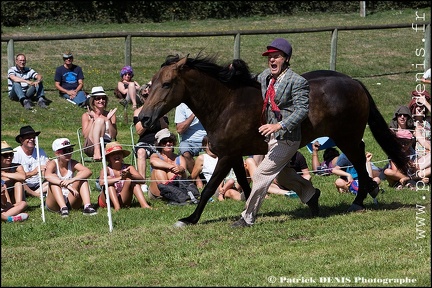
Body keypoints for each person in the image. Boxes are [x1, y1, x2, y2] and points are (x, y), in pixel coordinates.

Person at [232, 38, 321, 228]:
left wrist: (278, 126)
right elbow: (250, 82)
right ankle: (310, 194)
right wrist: (236, 72)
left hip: (287, 138)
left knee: (260, 175)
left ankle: (247, 218)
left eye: (277, 57)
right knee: (283, 177)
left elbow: (302, 111)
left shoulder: (298, 81)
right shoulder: (265, 76)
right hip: (270, 137)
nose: (272, 60)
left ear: (286, 59)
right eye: (270, 57)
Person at [44, 138, 97, 217]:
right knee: (53, 182)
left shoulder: (72, 163)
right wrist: (67, 186)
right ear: (57, 153)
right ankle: (63, 208)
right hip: (54, 202)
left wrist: (72, 180)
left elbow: (88, 171)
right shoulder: (53, 163)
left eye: (70, 149)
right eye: (65, 151)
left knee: (82, 178)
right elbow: (47, 176)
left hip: (70, 198)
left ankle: (87, 206)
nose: (69, 153)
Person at [133, 81, 169, 186]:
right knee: (141, 152)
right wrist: (147, 116)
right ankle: (142, 182)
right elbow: (139, 131)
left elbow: (166, 128)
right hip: (145, 141)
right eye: (145, 95)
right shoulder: (138, 112)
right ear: (141, 97)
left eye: (150, 94)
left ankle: (167, 180)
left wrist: (159, 114)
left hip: (160, 142)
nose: (148, 97)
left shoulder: (162, 111)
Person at [98, 142, 152, 211]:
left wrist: (130, 175)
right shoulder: (106, 169)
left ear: (122, 156)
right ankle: (117, 207)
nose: (116, 155)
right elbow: (101, 182)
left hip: (124, 198)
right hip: (107, 201)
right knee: (108, 182)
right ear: (108, 158)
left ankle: (144, 205)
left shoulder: (129, 167)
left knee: (132, 180)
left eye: (119, 153)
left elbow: (142, 180)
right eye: (113, 154)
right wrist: (120, 178)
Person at [190, 136, 244, 201]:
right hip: (215, 187)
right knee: (230, 192)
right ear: (204, 146)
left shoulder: (224, 156)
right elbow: (193, 176)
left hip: (231, 183)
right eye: (209, 145)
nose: (213, 148)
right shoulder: (202, 158)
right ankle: (245, 198)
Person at [148, 128, 188, 199]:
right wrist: (172, 167)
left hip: (178, 189)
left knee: (175, 172)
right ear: (159, 144)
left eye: (170, 141)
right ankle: (167, 195)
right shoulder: (155, 155)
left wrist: (181, 169)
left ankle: (172, 195)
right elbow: (153, 161)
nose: (168, 143)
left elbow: (185, 176)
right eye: (164, 142)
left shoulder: (179, 158)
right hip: (156, 192)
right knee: (159, 170)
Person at [81, 86, 117, 161]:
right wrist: (92, 119)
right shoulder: (86, 115)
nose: (101, 100)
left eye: (103, 98)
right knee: (100, 121)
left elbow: (113, 136)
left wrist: (108, 120)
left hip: (107, 145)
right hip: (91, 146)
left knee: (101, 120)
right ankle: (97, 150)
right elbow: (85, 135)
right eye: (98, 98)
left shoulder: (110, 115)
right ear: (93, 101)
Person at [13, 125, 50, 198]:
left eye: (33, 137)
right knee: (18, 182)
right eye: (28, 137)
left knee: (52, 179)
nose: (32, 139)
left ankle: (34, 193)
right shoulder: (15, 153)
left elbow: (44, 171)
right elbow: (17, 176)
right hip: (24, 184)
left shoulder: (40, 151)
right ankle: (36, 194)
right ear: (21, 140)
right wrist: (34, 172)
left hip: (39, 184)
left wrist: (49, 167)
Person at [174, 103, 207, 183]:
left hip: (208, 139)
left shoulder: (207, 103)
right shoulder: (181, 107)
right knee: (184, 151)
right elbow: (179, 130)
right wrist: (194, 114)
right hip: (190, 141)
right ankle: (197, 180)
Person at [1, 141, 26, 207]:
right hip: (2, 198)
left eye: (11, 154)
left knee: (18, 182)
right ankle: (8, 207)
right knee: (3, 185)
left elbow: (23, 177)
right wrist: (14, 176)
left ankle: (18, 205)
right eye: (5, 155)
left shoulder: (17, 166)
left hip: (15, 195)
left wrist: (3, 174)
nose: (9, 157)